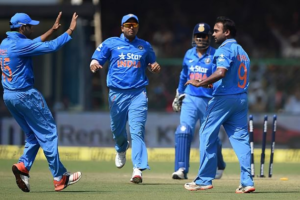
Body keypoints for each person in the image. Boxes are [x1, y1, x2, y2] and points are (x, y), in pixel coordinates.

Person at [0, 12, 82, 192]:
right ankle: (59, 177)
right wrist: (69, 31)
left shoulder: (5, 43)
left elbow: (31, 44)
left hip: (9, 96)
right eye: (30, 26)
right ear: (22, 28)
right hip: (26, 95)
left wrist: (51, 30)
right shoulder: (21, 45)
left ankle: (23, 167)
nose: (32, 28)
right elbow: (50, 47)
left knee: (32, 135)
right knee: (49, 132)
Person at [183, 16, 255, 193]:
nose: (213, 34)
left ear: (227, 32)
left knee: (207, 134)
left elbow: (221, 72)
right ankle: (247, 182)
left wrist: (200, 83)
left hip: (223, 99)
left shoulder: (223, 49)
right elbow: (229, 76)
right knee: (241, 140)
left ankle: (204, 180)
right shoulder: (242, 52)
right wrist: (208, 82)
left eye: (216, 30)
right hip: (241, 99)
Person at [90, 14, 161, 184]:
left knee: (137, 131)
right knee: (117, 128)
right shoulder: (111, 43)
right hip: (117, 93)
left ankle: (138, 169)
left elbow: (153, 64)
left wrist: (155, 67)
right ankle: (121, 149)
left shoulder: (144, 46)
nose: (131, 27)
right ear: (122, 27)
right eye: (128, 25)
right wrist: (93, 63)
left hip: (138, 93)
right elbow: (95, 58)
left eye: (134, 25)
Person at [171, 23, 226, 180]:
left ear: (209, 37)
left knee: (209, 136)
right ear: (194, 37)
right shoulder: (188, 54)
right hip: (190, 98)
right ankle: (181, 168)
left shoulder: (215, 55)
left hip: (208, 100)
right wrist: (178, 94)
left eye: (204, 36)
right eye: (198, 36)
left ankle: (219, 164)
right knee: (183, 130)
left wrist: (216, 96)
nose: (201, 39)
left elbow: (218, 79)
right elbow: (183, 75)